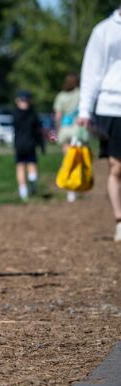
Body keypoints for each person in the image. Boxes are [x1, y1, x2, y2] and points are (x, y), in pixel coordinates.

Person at [77, 6, 121, 241]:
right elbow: (91, 71)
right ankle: (119, 219)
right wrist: (85, 108)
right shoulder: (103, 31)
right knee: (117, 167)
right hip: (111, 106)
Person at [53, 73, 81, 202]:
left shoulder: (61, 96)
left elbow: (58, 116)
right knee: (76, 160)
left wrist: (57, 131)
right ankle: (75, 186)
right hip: (78, 130)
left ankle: (69, 188)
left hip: (65, 129)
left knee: (68, 159)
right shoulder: (80, 94)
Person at [13, 91, 44, 201]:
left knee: (20, 167)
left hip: (20, 145)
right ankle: (32, 185)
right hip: (29, 144)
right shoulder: (33, 114)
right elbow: (38, 131)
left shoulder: (15, 113)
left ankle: (23, 191)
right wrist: (42, 145)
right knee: (30, 165)